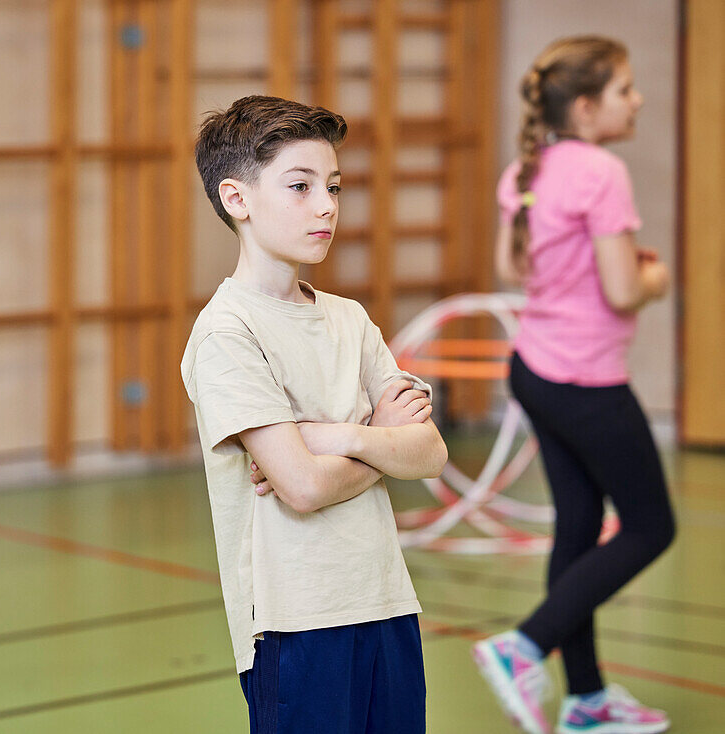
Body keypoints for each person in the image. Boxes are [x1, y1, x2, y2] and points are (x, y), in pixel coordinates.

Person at [181, 95, 448, 734]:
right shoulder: (227, 332)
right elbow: (300, 487)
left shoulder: (349, 319)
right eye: (299, 187)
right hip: (294, 624)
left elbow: (431, 454)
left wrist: (339, 437)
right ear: (237, 199)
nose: (326, 205)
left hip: (386, 603)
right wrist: (384, 442)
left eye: (332, 186)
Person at [472, 37, 674, 734]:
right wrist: (655, 277)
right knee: (651, 526)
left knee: (581, 528)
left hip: (534, 370)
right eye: (625, 89)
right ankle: (523, 644)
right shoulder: (600, 171)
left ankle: (586, 701)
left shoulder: (526, 170)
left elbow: (511, 264)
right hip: (586, 381)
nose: (637, 99)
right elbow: (623, 290)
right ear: (587, 107)